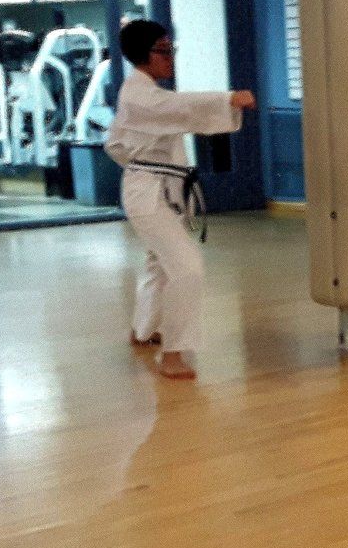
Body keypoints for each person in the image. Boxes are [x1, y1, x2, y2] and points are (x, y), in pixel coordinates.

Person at [103, 20, 254, 381]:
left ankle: (143, 330)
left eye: (171, 50)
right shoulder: (141, 95)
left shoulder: (144, 94)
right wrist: (227, 99)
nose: (170, 58)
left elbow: (118, 142)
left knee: (159, 262)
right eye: (164, 51)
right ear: (144, 55)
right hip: (148, 193)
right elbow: (180, 107)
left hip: (160, 187)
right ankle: (173, 354)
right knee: (187, 267)